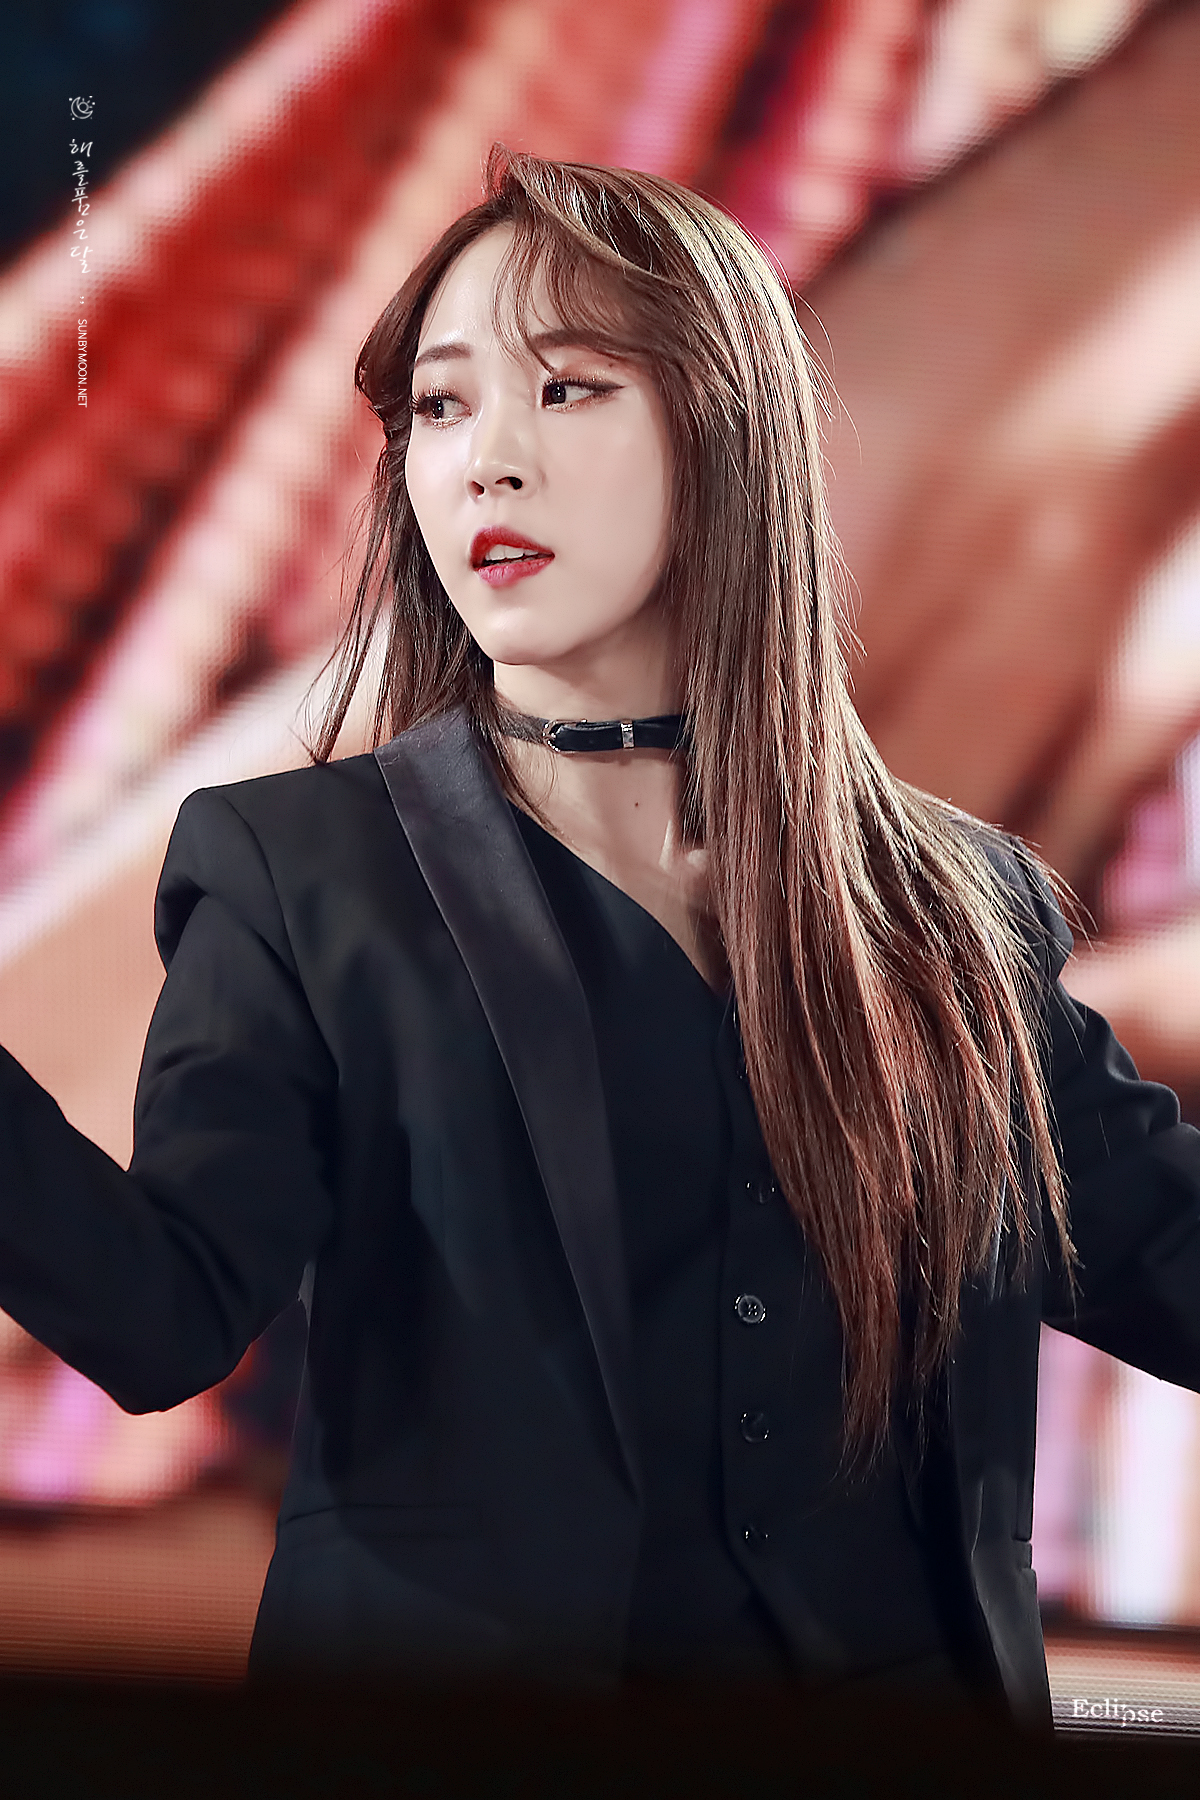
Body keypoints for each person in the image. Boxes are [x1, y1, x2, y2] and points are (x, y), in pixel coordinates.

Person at [0, 146, 1197, 1726]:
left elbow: (1166, 1264)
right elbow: (162, 1320)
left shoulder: (961, 903)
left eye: (566, 390)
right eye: (441, 406)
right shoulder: (303, 871)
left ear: (729, 437)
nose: (486, 461)